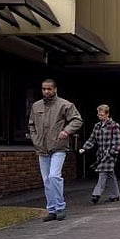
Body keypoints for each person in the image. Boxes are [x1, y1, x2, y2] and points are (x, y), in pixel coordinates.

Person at [28, 79, 83, 222]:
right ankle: (51, 209)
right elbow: (31, 124)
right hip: (42, 148)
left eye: (49, 89)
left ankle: (60, 207)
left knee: (54, 176)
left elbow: (77, 120)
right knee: (47, 180)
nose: (46, 91)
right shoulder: (36, 106)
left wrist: (66, 131)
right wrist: (35, 139)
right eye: (44, 89)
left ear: (55, 89)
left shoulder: (65, 105)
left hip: (58, 147)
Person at [78, 104, 120, 204]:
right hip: (101, 155)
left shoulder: (114, 126)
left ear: (107, 114)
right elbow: (92, 139)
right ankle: (115, 195)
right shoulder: (97, 126)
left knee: (102, 173)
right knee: (110, 174)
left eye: (102, 115)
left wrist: (111, 152)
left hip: (110, 155)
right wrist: (84, 148)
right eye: (99, 115)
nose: (100, 117)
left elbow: (117, 142)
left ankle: (96, 194)